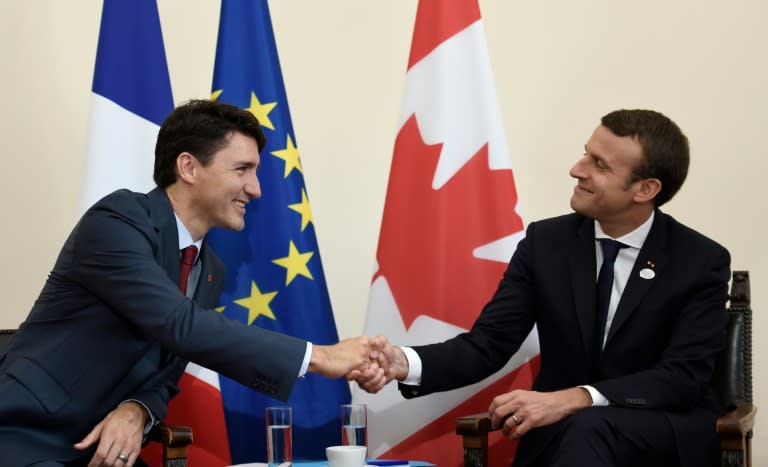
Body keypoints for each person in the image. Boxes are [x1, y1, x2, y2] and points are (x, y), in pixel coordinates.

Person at [0, 99, 385, 467]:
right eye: (242, 169)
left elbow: (165, 375)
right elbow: (178, 324)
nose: (256, 188)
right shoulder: (117, 221)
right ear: (188, 167)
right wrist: (321, 357)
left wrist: (138, 409)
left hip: (99, 448)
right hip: (26, 434)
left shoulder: (208, 269)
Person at [357, 109, 730, 467]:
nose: (576, 169)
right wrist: (404, 363)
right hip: (567, 441)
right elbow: (488, 344)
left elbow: (682, 377)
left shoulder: (698, 261)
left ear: (645, 189)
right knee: (581, 432)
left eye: (599, 165)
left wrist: (576, 398)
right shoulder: (546, 244)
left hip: (656, 434)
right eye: (586, 154)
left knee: (588, 427)